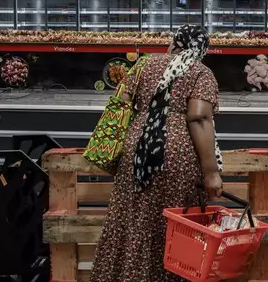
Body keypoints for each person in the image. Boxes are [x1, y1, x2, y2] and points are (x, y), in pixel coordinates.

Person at [90, 25, 223, 282]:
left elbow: (123, 99)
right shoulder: (200, 72)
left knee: (133, 218)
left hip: (136, 150)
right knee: (175, 224)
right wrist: (211, 173)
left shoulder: (144, 64)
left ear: (174, 42)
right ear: (202, 50)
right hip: (176, 153)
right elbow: (198, 117)